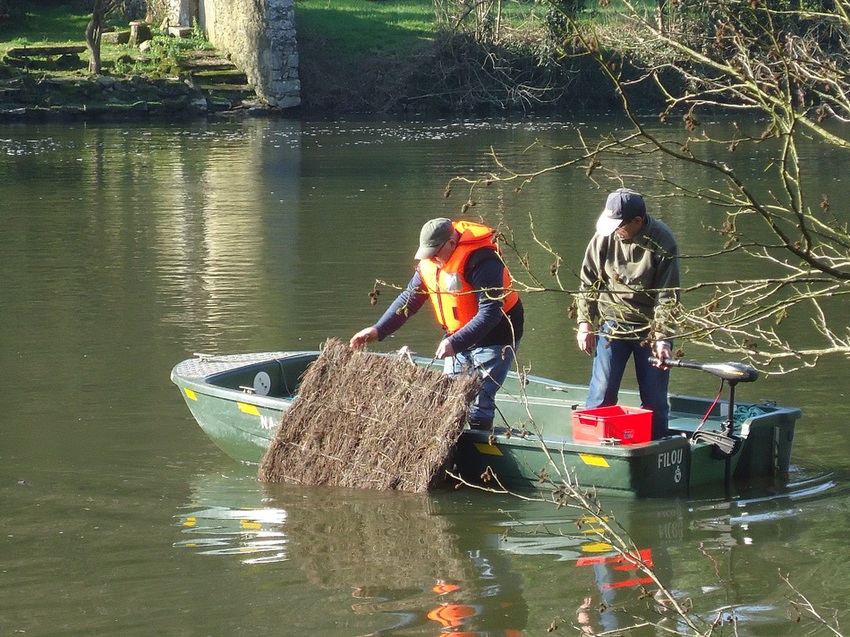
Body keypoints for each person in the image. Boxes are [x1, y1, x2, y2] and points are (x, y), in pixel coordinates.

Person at [350, 218, 524, 430]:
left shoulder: (482, 261)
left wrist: (455, 343)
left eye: (435, 254)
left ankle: (481, 445)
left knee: (479, 402)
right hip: (458, 334)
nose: (432, 259)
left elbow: (490, 313)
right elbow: (410, 299)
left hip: (497, 333)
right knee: (449, 399)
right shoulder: (431, 263)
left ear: (451, 243)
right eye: (427, 255)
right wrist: (379, 329)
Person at [575, 188, 680, 439]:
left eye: (619, 226)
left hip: (649, 328)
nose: (615, 231)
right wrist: (585, 323)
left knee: (654, 398)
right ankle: (593, 445)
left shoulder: (663, 241)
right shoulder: (604, 237)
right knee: (601, 394)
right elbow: (589, 281)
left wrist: (662, 337)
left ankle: (656, 449)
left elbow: (668, 296)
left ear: (637, 221)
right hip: (612, 324)